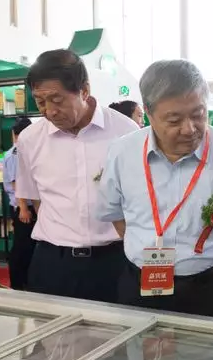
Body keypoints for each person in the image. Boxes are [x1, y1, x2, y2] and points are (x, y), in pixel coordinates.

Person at [97, 60, 213, 320]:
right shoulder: (122, 153)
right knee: (140, 347)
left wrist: (209, 263)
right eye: (174, 119)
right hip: (140, 286)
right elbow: (117, 215)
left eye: (198, 114)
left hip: (212, 290)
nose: (189, 129)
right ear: (148, 112)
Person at [16, 50, 138, 301]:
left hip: (114, 261)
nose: (50, 111)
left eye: (57, 100)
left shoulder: (126, 132)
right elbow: (37, 199)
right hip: (54, 264)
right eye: (40, 102)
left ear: (84, 90)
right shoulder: (30, 139)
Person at [1, 117, 36, 291]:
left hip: (30, 206)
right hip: (23, 207)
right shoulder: (16, 153)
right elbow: (17, 183)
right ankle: (18, 284)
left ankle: (26, 282)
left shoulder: (25, 151)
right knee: (22, 248)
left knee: (29, 247)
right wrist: (23, 208)